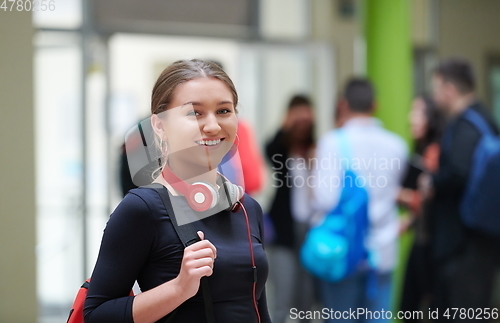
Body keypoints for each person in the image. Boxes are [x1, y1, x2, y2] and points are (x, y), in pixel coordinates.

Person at [84, 59, 271, 323]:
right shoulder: (142, 208)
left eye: (224, 111)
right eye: (194, 113)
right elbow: (97, 315)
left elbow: (257, 308)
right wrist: (179, 288)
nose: (213, 126)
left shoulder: (246, 207)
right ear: (159, 125)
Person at [312, 79, 407, 323]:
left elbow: (325, 199)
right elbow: (394, 193)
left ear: (343, 105)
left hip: (341, 252)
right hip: (382, 251)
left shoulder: (332, 142)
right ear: (375, 105)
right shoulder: (397, 146)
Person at [424, 58, 500, 321]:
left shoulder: (466, 126)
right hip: (479, 241)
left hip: (464, 246)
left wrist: (431, 183)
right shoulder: (484, 120)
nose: (434, 97)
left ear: (449, 90)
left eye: (436, 89)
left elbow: (458, 173)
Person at [265, 95, 316, 323]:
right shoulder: (282, 150)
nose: (302, 123)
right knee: (282, 298)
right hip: (284, 230)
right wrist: (286, 123)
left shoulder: (317, 149)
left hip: (312, 230)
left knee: (306, 299)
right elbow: (269, 149)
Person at [398, 95, 444, 321]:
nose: (411, 118)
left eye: (418, 112)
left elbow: (432, 199)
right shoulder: (421, 150)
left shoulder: (436, 151)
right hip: (421, 238)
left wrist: (404, 196)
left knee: (418, 307)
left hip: (432, 245)